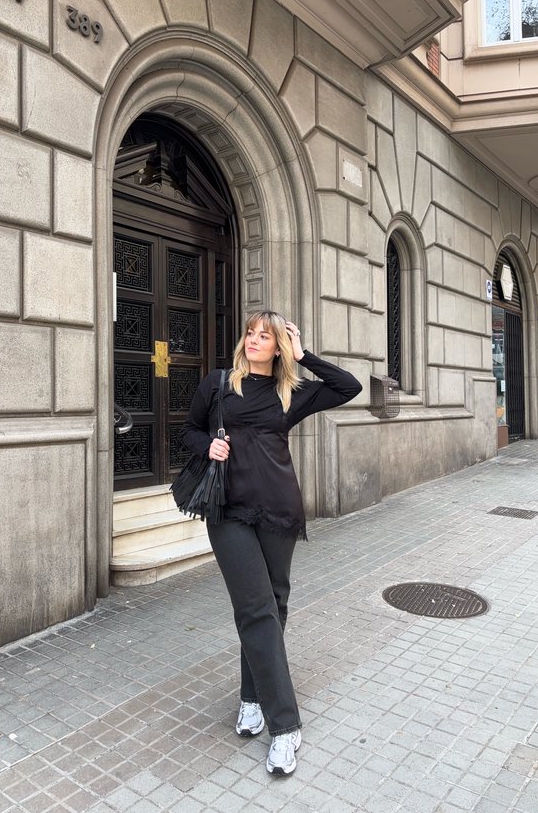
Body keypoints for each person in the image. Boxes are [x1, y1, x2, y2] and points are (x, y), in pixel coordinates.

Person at [181, 311, 362, 776]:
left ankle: (251, 695)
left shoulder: (292, 393)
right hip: (228, 510)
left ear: (280, 345)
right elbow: (189, 430)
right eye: (251, 333)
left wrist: (304, 356)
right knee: (257, 607)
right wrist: (207, 447)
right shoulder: (220, 384)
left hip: (279, 509)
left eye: (267, 336)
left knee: (273, 604)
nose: (256, 340)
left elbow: (348, 386)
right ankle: (285, 725)